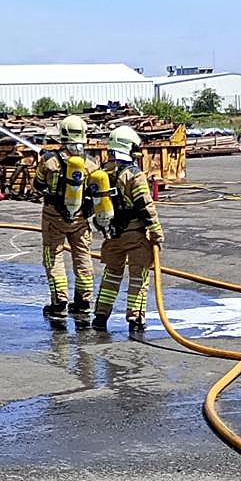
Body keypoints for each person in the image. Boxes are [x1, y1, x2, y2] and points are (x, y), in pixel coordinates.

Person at [92, 126, 164, 334]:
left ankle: (100, 316)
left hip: (113, 234)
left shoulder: (104, 173)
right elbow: (145, 206)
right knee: (138, 277)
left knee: (111, 275)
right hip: (134, 234)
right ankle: (135, 320)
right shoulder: (134, 175)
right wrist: (156, 232)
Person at [33, 114, 99, 321]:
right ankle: (83, 302)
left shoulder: (49, 161)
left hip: (54, 216)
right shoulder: (92, 164)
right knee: (83, 258)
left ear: (62, 135)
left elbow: (37, 186)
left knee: (53, 258)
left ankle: (59, 303)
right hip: (80, 219)